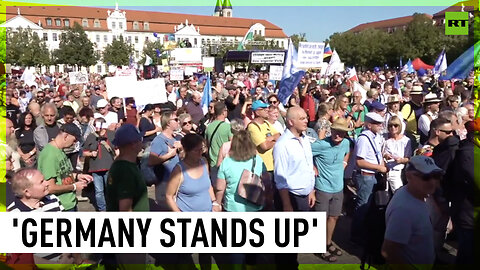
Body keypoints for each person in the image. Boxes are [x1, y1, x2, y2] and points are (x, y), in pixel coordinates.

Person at [215, 130, 267, 266]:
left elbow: (220, 188)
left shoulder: (226, 163)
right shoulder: (258, 160)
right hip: (255, 208)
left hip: (233, 209)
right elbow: (266, 181)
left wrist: (218, 204)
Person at [381, 156, 443, 268]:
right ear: (409, 176)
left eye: (436, 176)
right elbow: (389, 251)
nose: (433, 182)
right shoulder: (404, 209)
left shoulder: (418, 196)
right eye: (426, 177)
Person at [273, 106, 315, 268]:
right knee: (286, 242)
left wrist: (311, 190)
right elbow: (281, 178)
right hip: (290, 198)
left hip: (304, 197)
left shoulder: (305, 139)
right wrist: (287, 205)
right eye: (302, 118)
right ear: (291, 122)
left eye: (306, 117)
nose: (306, 120)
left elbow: (308, 165)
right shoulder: (282, 145)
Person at [106, 124, 149, 267]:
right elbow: (125, 209)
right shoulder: (126, 170)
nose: (141, 141)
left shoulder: (119, 164)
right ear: (133, 144)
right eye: (139, 139)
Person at [311, 118, 351, 262]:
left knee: (334, 217)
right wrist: (312, 167)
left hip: (338, 187)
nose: (337, 135)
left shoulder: (346, 143)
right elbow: (304, 153)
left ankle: (327, 243)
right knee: (320, 219)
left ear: (345, 134)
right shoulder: (321, 144)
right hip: (323, 187)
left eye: (341, 132)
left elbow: (348, 151)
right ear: (331, 130)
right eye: (335, 131)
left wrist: (345, 162)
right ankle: (319, 247)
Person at [37, 123, 93, 211]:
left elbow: (63, 174)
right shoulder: (49, 155)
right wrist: (74, 186)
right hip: (61, 207)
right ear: (66, 136)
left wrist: (78, 176)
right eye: (74, 140)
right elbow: (49, 187)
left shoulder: (60, 151)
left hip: (70, 203)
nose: (74, 144)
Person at [351, 112, 388, 243]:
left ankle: (364, 232)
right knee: (362, 207)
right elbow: (359, 162)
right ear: (369, 124)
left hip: (373, 175)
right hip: (365, 176)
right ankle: (355, 236)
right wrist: (379, 167)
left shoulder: (374, 137)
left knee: (369, 206)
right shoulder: (363, 139)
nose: (380, 125)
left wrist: (381, 165)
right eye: (377, 123)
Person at [166, 133, 219, 212]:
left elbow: (208, 185)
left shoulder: (204, 162)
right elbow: (169, 196)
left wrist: (214, 202)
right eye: (196, 150)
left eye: (201, 149)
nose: (200, 153)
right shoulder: (178, 170)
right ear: (187, 150)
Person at [83, 118, 116, 211]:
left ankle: (111, 208)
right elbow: (84, 152)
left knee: (110, 189)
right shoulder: (91, 136)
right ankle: (103, 210)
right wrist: (91, 154)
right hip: (95, 168)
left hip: (109, 167)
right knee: (99, 191)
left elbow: (117, 150)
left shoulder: (111, 134)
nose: (96, 127)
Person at [149, 111, 182, 201]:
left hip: (176, 180)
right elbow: (151, 161)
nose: (178, 122)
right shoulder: (159, 140)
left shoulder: (175, 138)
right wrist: (169, 155)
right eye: (175, 120)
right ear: (168, 123)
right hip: (164, 182)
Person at [205, 102, 232, 186]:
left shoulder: (208, 127)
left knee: (217, 189)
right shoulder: (228, 127)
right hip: (226, 163)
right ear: (224, 112)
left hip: (213, 163)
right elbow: (233, 144)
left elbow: (206, 145)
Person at [383, 116, 412, 193]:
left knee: (398, 194)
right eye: (390, 126)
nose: (393, 128)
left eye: (395, 125)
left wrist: (401, 160)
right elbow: (381, 152)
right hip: (385, 171)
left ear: (399, 126)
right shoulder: (385, 139)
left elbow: (409, 158)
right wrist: (386, 155)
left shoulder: (406, 140)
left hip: (398, 172)